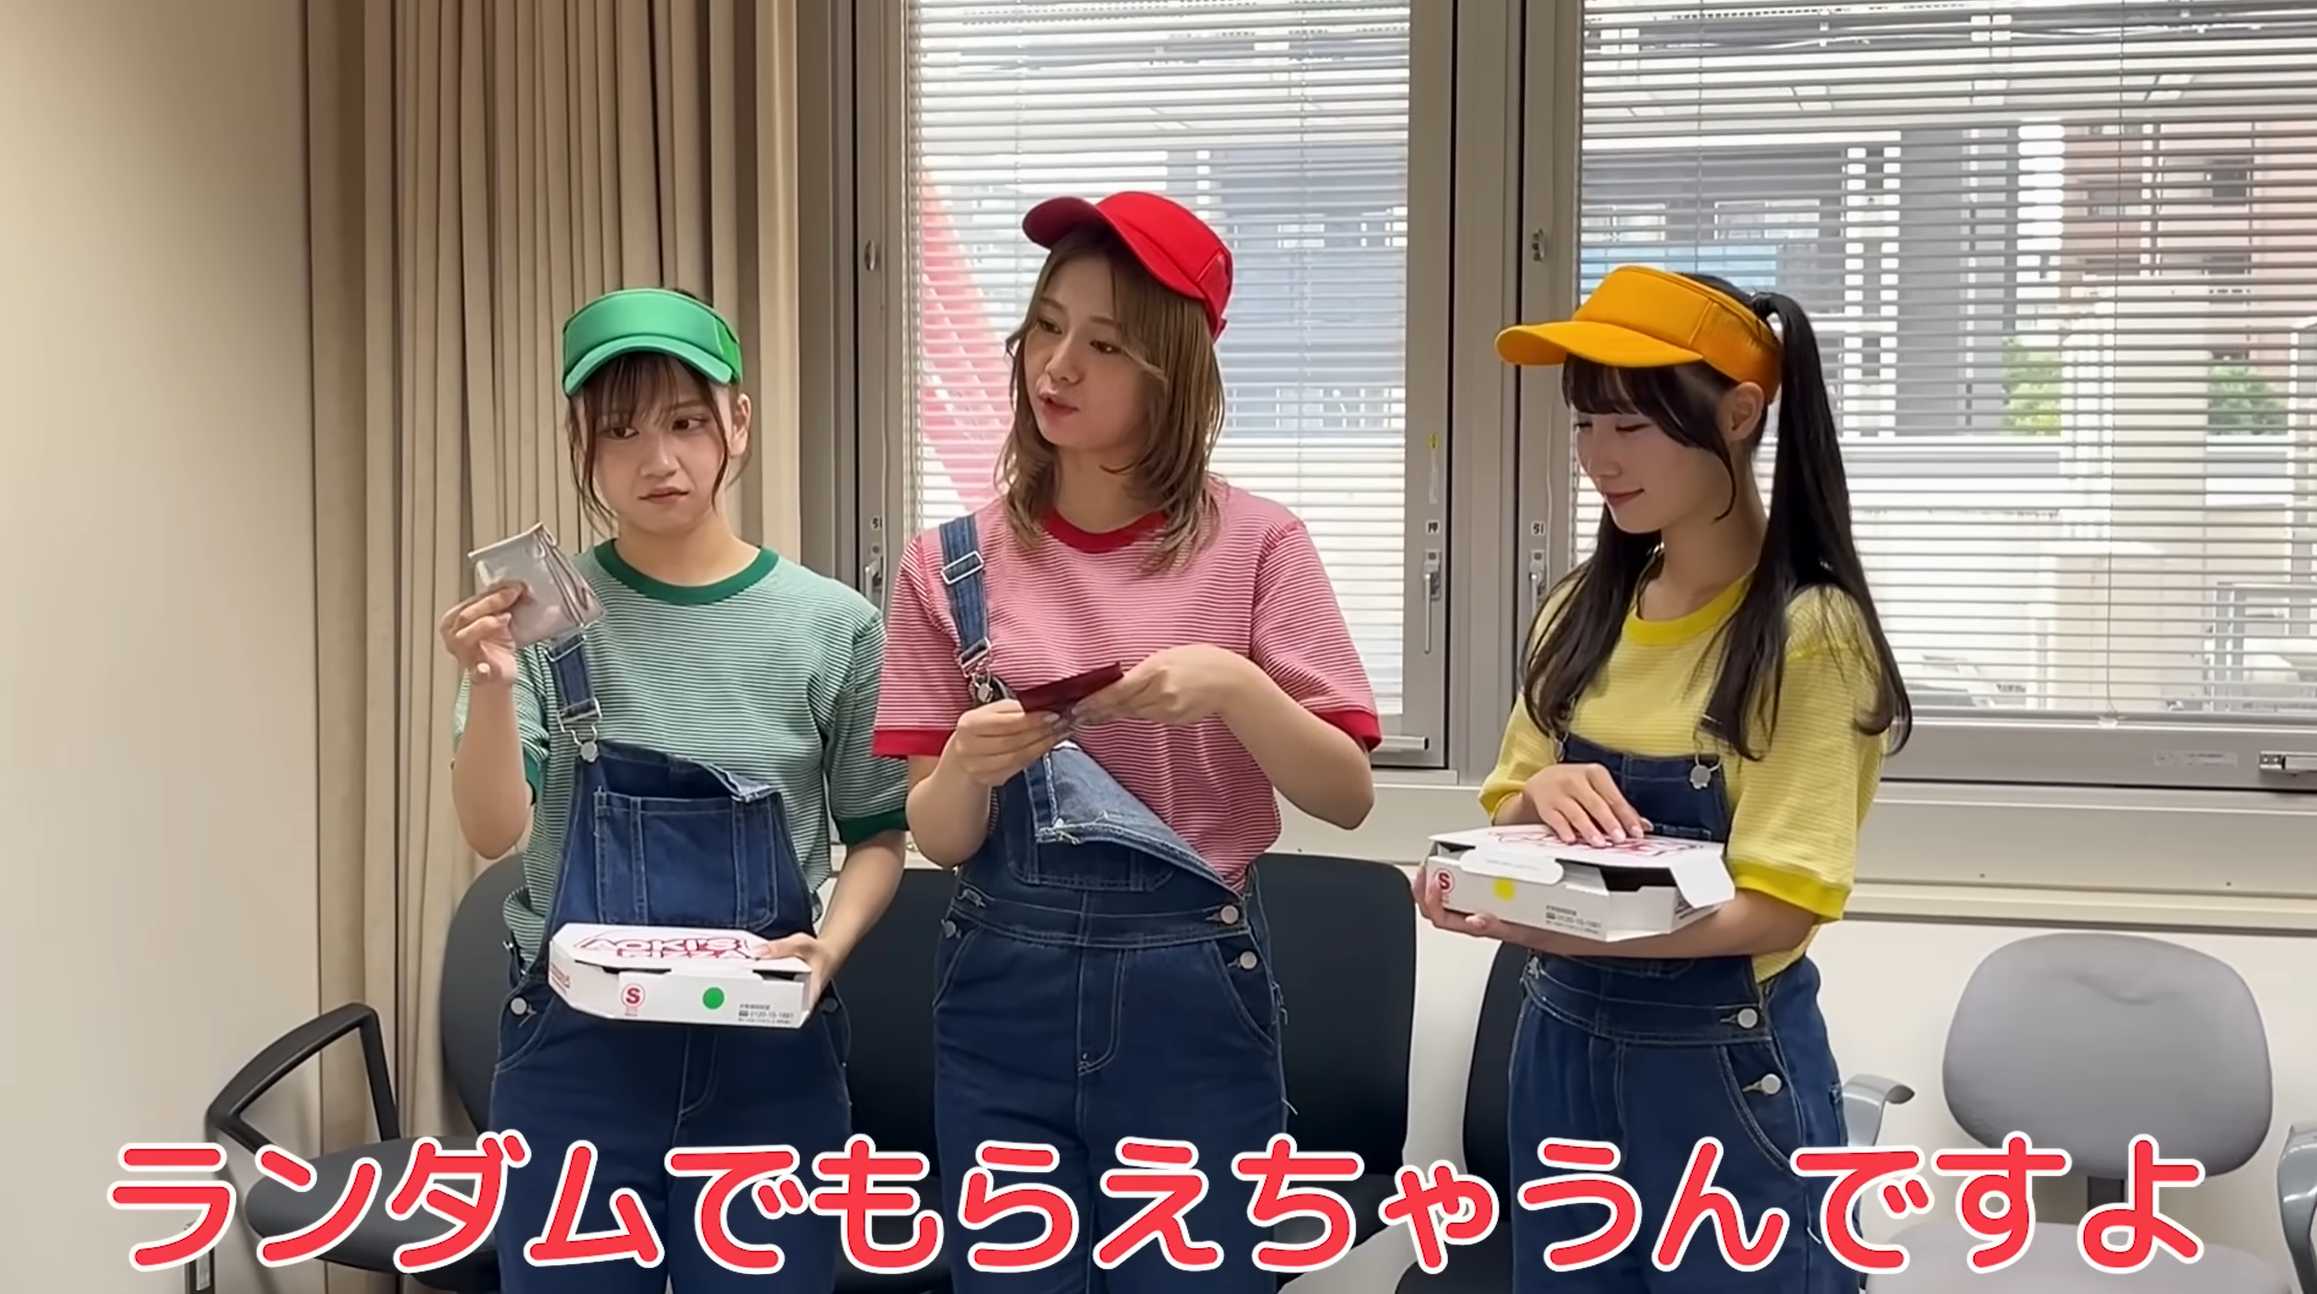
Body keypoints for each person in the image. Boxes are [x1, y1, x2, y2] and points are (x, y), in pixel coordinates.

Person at [872, 191, 1380, 1291]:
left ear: (1172, 373)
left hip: (1191, 988)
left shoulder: (1261, 546)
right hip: (1001, 991)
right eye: (1045, 327)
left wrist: (1236, 686)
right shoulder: (946, 563)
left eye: (1103, 345)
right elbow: (939, 836)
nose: (1056, 367)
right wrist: (964, 763)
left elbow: (1346, 795)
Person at [1419, 265, 1910, 1292]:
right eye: (1584, 424)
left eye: (1630, 426)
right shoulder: (1580, 611)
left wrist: (1566, 925)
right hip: (1556, 1048)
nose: (1599, 458)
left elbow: (1780, 905)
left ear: (1737, 415)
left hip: (1720, 1070)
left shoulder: (1808, 635)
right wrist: (1535, 802)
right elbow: (1508, 800)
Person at [439, 287, 909, 1291]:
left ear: (739, 421)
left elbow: (878, 832)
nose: (657, 459)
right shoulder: (539, 621)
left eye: (687, 422)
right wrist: (492, 685)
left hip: (769, 1058)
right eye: (621, 431)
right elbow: (491, 827)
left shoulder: (832, 625)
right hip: (575, 1056)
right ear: (581, 442)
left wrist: (827, 950)